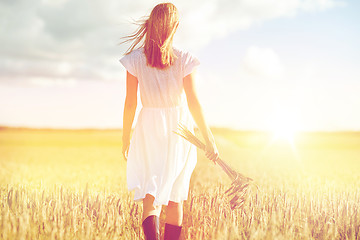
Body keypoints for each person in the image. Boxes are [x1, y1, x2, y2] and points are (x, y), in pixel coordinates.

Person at [119, 3, 219, 240]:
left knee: (150, 195)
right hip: (180, 131)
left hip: (148, 128)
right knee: (175, 197)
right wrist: (210, 140)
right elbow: (194, 102)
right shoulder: (184, 59)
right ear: (174, 27)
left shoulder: (134, 60)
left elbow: (130, 104)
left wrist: (126, 138)